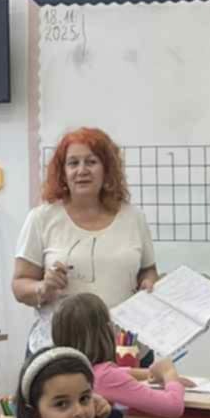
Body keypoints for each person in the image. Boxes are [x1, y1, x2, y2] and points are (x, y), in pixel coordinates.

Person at [13, 128, 159, 355]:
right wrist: (43, 288)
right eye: (73, 163)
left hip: (123, 349)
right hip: (60, 351)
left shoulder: (133, 217)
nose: (82, 170)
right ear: (63, 172)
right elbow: (19, 285)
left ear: (106, 169)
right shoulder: (41, 218)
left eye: (91, 162)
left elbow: (148, 270)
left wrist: (148, 282)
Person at [52, 292, 186, 418]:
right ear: (106, 331)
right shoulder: (105, 376)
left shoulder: (67, 371)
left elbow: (117, 373)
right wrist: (169, 373)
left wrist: (151, 374)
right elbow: (173, 407)